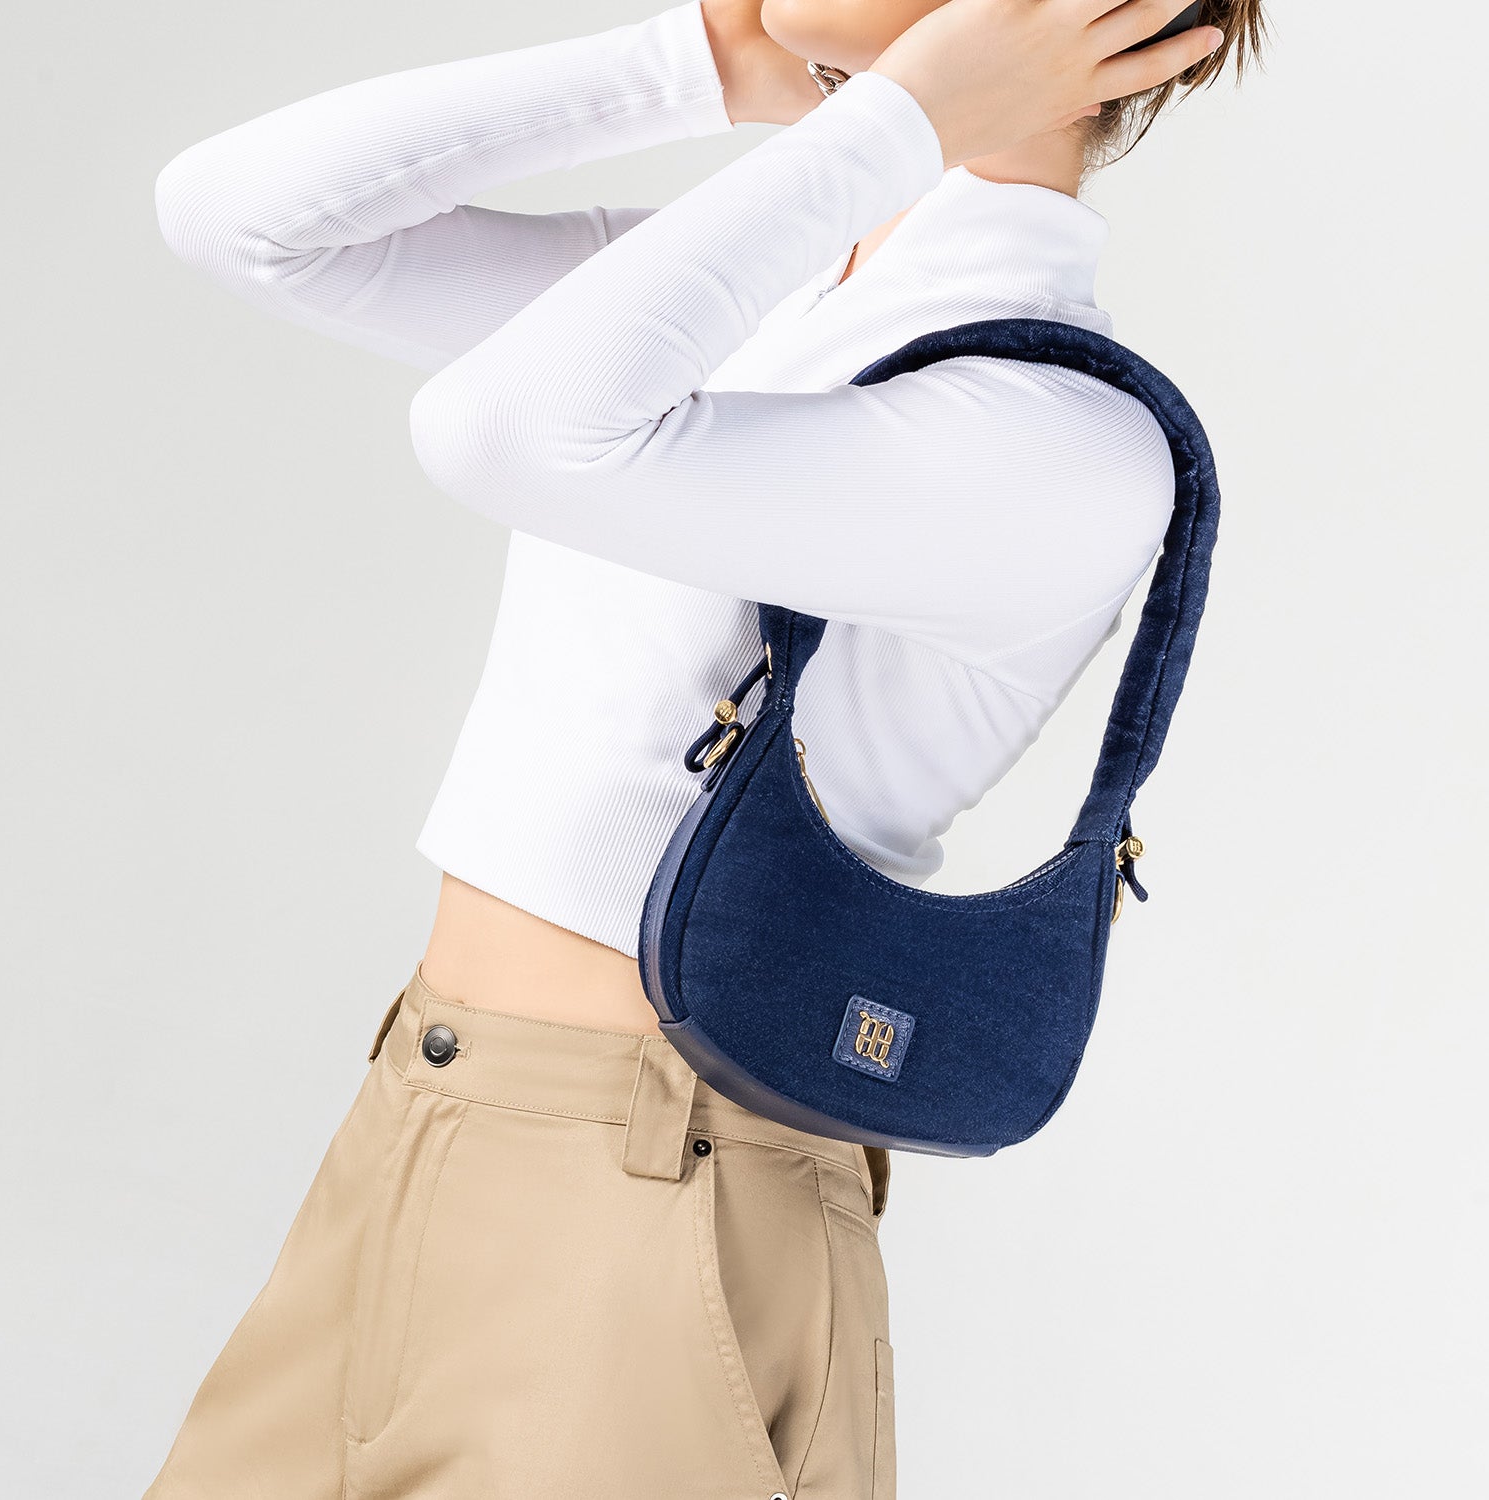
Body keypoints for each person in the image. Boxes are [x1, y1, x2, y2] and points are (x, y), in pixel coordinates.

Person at [144, 1, 1263, 1495]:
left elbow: (500, 428)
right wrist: (716, 59)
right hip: (423, 1110)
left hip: (662, 1190)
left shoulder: (1050, 429)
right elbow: (239, 217)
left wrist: (902, 118)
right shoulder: (776, 293)